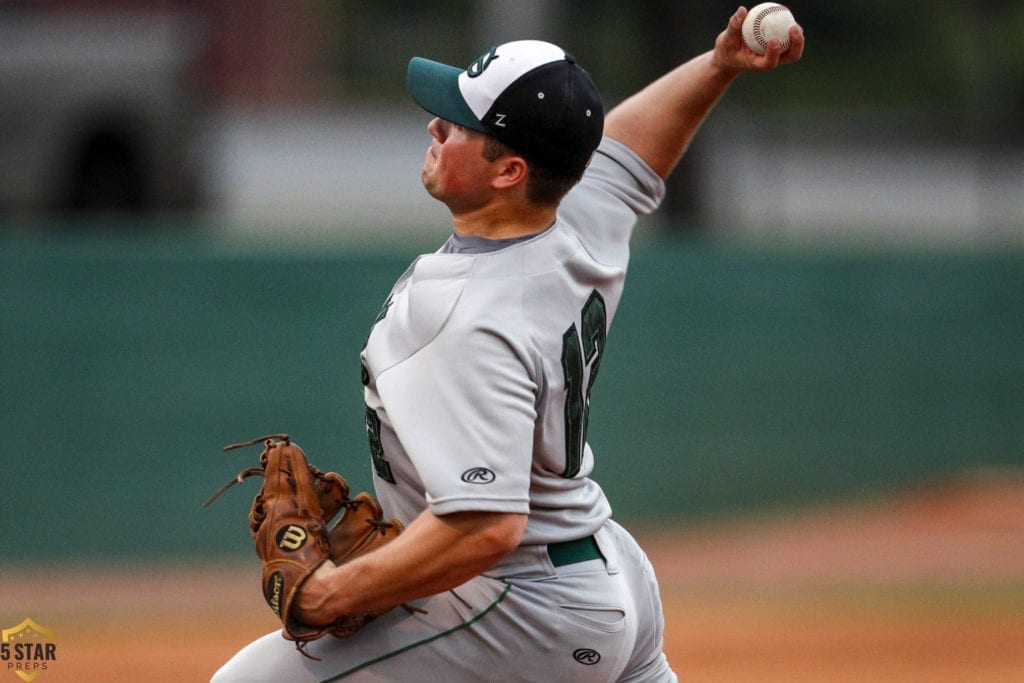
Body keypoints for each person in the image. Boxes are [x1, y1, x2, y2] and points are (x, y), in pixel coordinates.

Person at [212, 7, 803, 682]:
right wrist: (719, 64)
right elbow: (634, 150)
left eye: (460, 123)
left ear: (509, 170)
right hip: (607, 571)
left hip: (522, 608)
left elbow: (485, 526)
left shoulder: (467, 317)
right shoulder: (573, 216)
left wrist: (330, 593)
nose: (435, 124)